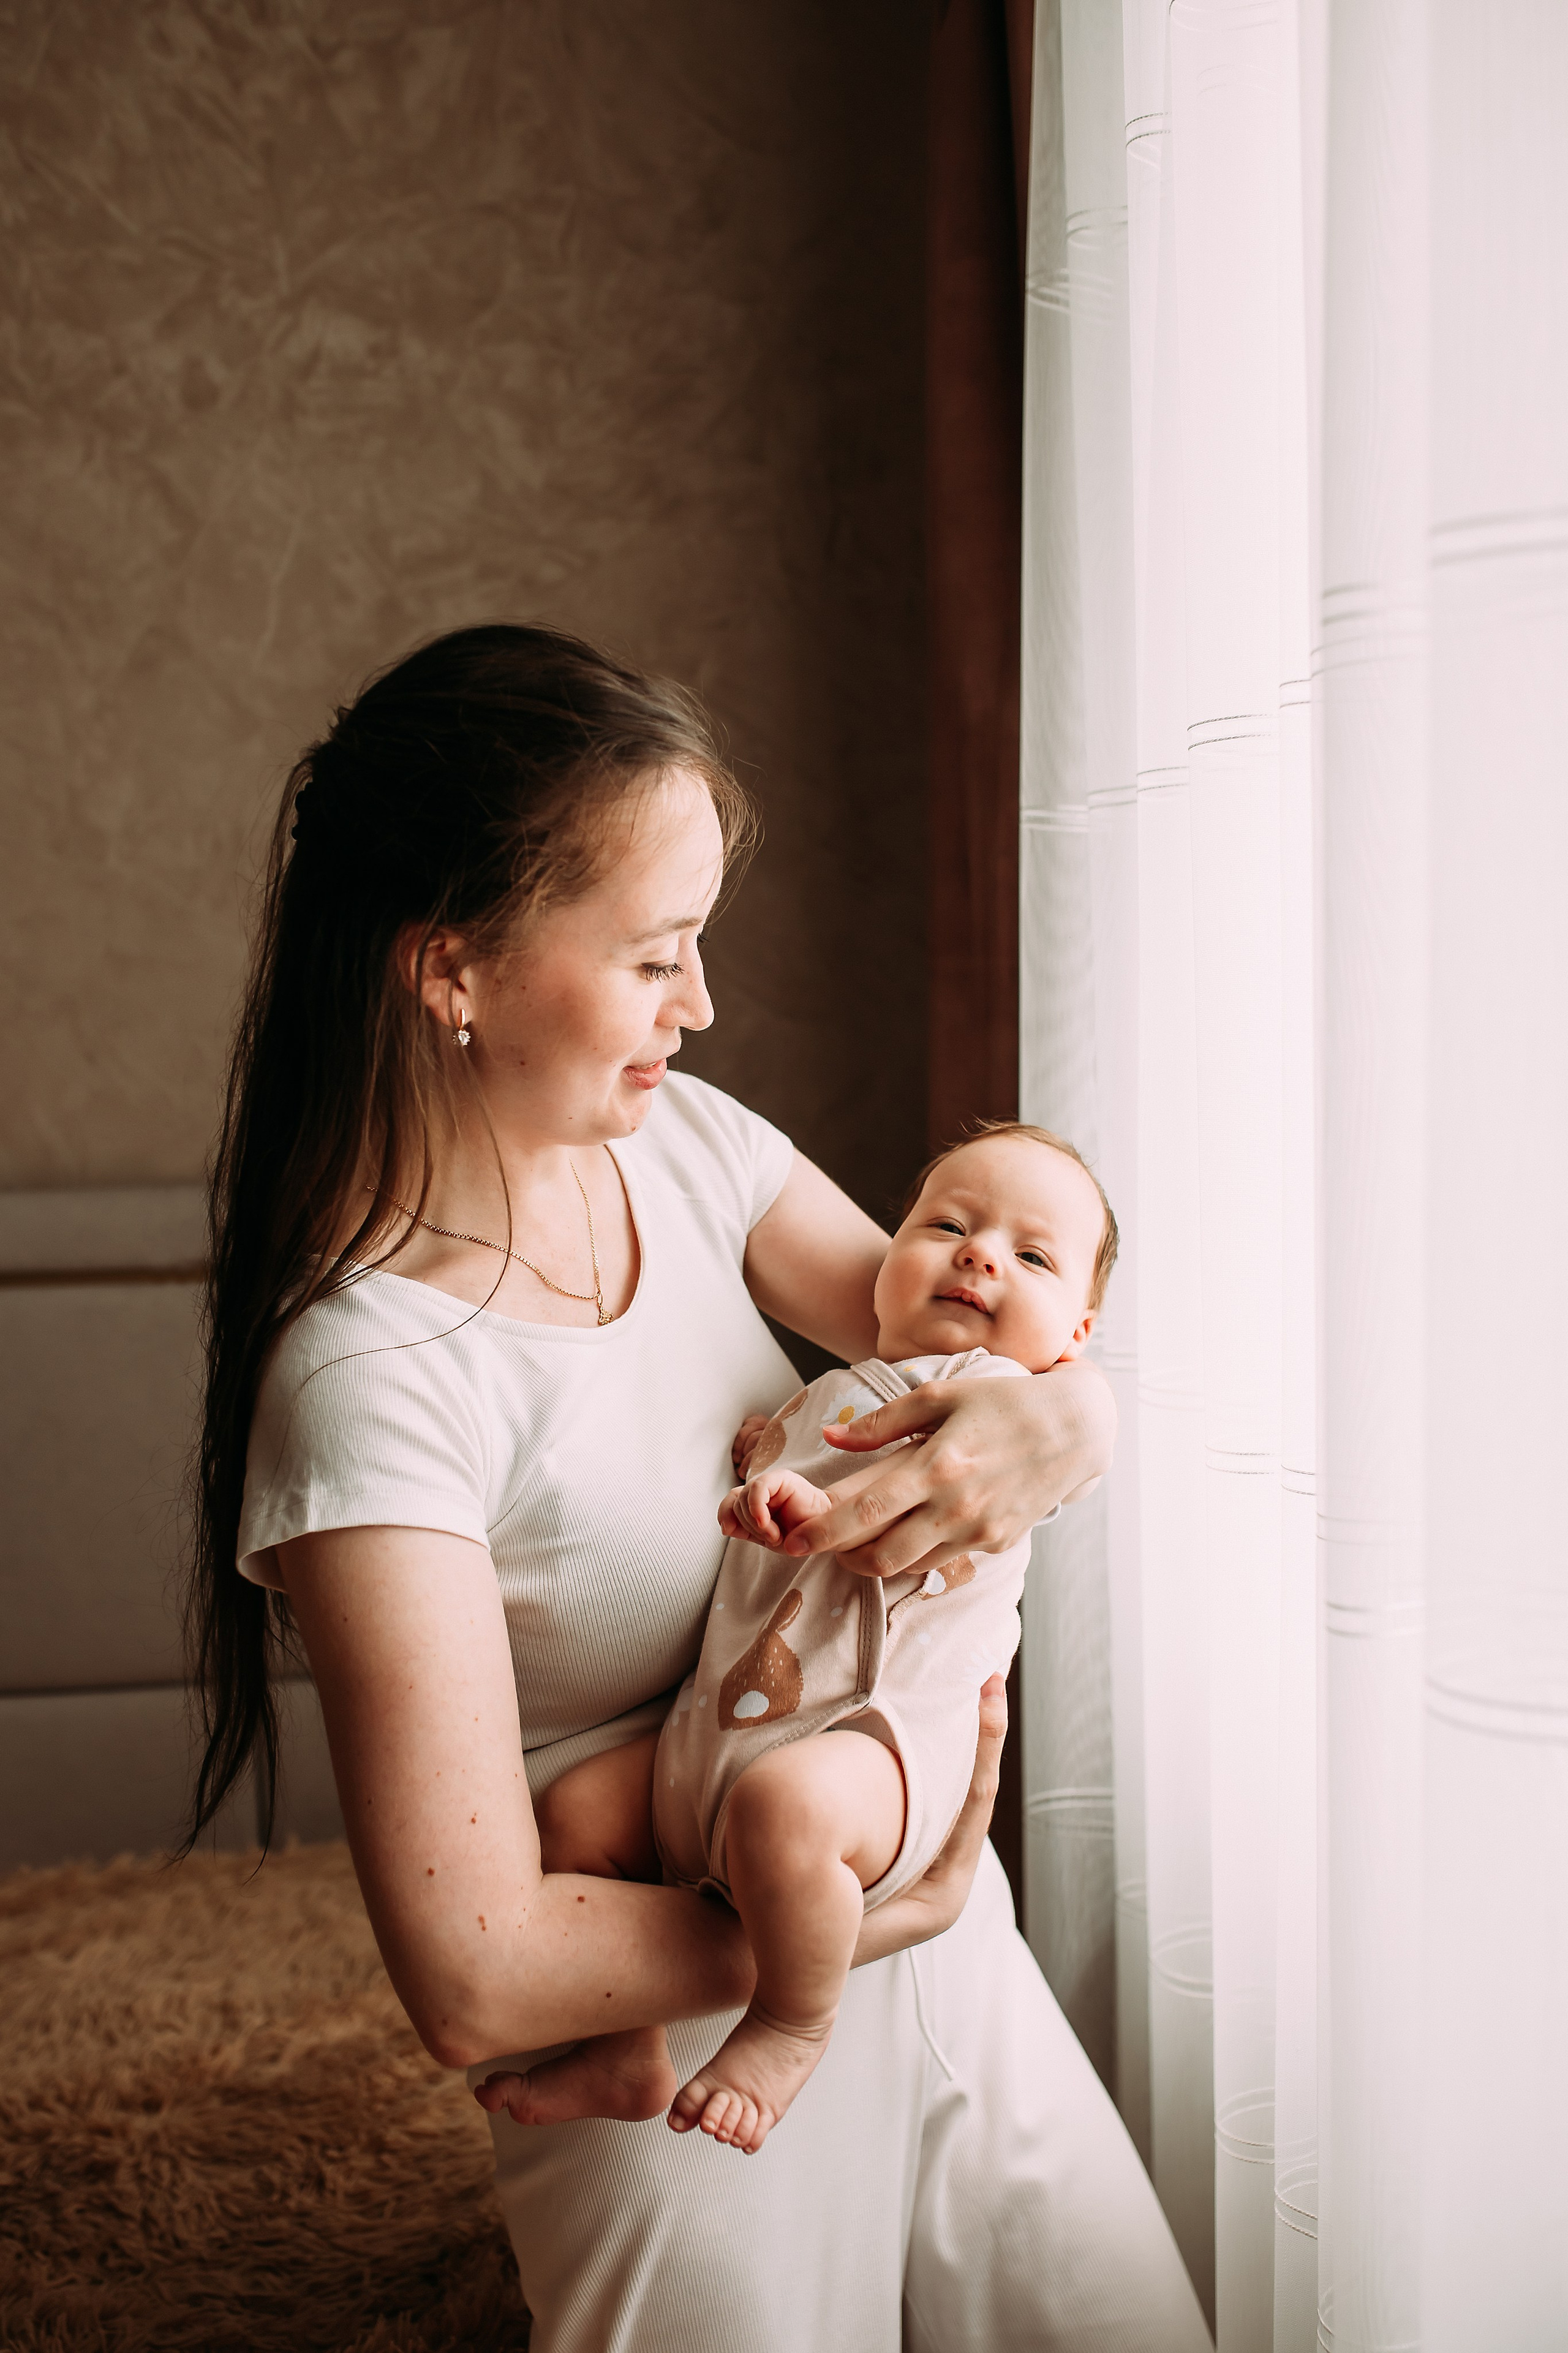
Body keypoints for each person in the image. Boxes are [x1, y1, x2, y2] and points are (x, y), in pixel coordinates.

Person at [185, 623, 1212, 2353]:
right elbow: (475, 1975)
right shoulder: (374, 1380)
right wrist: (865, 1919)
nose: (703, 1005)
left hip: (916, 1934)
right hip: (679, 2027)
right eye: (657, 955)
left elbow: (974, 1322)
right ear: (453, 969)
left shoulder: (685, 1145)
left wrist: (1078, 1421)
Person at [477, 1123, 1117, 2157]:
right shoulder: (827, 1394)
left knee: (784, 1809)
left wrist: (801, 1496)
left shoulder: (990, 1401)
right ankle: (623, 2046)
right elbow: (806, 1456)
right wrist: (765, 1457)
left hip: (870, 1747)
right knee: (578, 1813)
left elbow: (878, 1506)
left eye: (1031, 1255)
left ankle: (789, 2023)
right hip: (725, 1729)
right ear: (884, 1259)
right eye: (947, 1225)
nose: (980, 1253)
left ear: (1075, 1336)